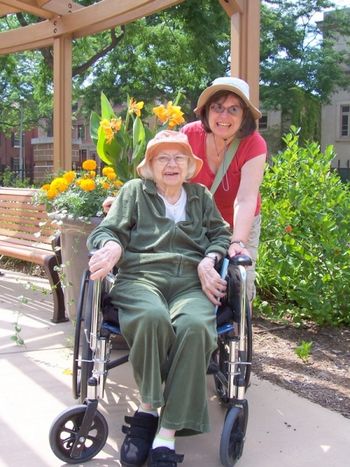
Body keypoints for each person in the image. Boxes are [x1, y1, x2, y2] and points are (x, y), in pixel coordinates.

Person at [87, 130, 231, 467]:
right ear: (150, 166)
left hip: (190, 282)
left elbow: (220, 235)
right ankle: (148, 408)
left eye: (178, 157)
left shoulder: (200, 196)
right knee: (151, 318)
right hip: (142, 277)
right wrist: (111, 248)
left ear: (188, 165)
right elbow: (110, 230)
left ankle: (166, 433)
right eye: (162, 158)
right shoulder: (134, 192)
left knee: (196, 326)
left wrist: (209, 260)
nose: (171, 164)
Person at [103, 77, 267, 304]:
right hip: (197, 220)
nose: (224, 116)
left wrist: (237, 242)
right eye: (217, 107)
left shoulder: (254, 143)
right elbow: (162, 171)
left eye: (233, 109)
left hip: (239, 220)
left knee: (239, 284)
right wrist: (125, 200)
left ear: (245, 115)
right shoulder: (190, 133)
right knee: (194, 278)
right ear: (207, 111)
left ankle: (236, 327)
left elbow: (246, 198)